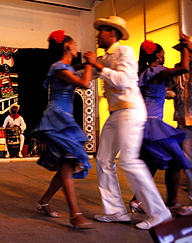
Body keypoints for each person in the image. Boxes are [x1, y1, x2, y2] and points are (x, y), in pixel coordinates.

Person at [85, 16, 172, 230]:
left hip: (131, 111)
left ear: (111, 33)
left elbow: (123, 81)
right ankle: (116, 212)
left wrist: (97, 65)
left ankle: (160, 213)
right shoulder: (105, 58)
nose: (98, 35)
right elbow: (86, 76)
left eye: (101, 31)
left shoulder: (125, 52)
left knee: (128, 161)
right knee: (103, 160)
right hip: (116, 113)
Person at [32, 30, 95, 229]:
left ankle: (44, 201)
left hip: (64, 119)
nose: (77, 47)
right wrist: (91, 63)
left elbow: (77, 67)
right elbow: (85, 83)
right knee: (68, 162)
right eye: (75, 44)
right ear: (67, 46)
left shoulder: (66, 66)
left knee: (66, 166)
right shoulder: (58, 67)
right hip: (57, 118)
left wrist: (91, 63)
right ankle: (76, 214)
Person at [129, 38, 190, 212]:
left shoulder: (146, 73)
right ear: (157, 55)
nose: (164, 57)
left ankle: (136, 200)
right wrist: (185, 47)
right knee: (176, 160)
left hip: (145, 123)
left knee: (153, 162)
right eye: (163, 54)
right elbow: (184, 68)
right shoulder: (157, 70)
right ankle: (173, 204)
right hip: (152, 123)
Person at [171, 33, 192, 215]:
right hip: (183, 120)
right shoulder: (179, 71)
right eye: (183, 51)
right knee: (185, 160)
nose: (185, 54)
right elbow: (170, 88)